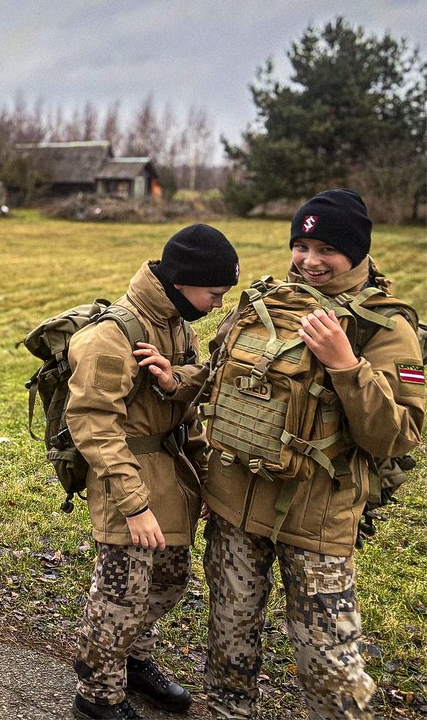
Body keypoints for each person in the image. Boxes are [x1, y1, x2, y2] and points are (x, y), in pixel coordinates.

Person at [202, 190, 423, 719]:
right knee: (229, 642)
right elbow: (220, 377)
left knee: (329, 664)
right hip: (236, 506)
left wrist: (346, 364)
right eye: (301, 245)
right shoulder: (268, 303)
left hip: (318, 520)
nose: (309, 260)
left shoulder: (388, 329)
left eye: (326, 247)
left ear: (357, 251)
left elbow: (401, 434)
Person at [67, 223, 239, 720]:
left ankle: (133, 663)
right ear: (183, 282)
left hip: (171, 473)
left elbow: (186, 414)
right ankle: (98, 694)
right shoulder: (111, 334)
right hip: (126, 479)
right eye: (214, 293)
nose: (218, 305)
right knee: (121, 594)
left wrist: (202, 476)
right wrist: (135, 504)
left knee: (167, 581)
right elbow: (94, 424)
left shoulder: (178, 326)